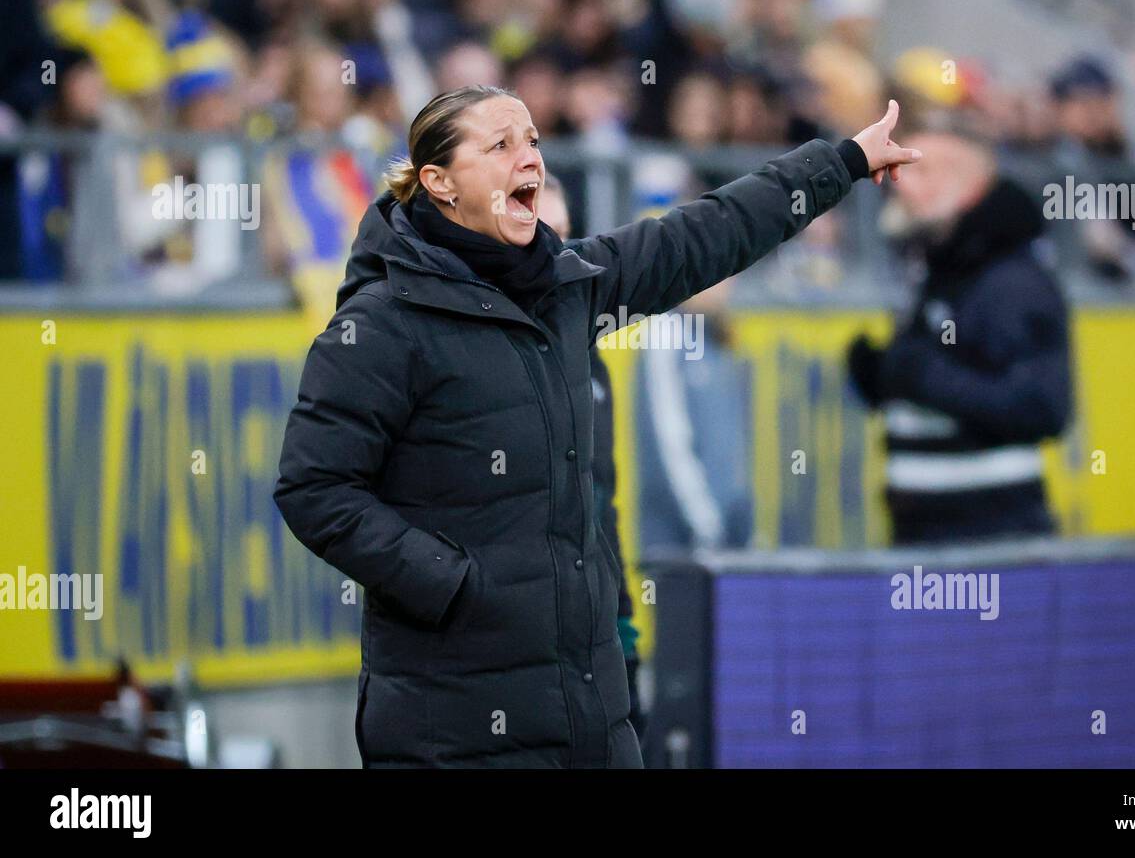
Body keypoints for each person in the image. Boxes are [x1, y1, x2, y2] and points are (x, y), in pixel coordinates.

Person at [275, 83, 920, 768]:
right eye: (500, 145)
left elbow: (706, 234)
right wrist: (452, 584)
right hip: (454, 729)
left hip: (591, 719)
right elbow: (314, 489)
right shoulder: (380, 324)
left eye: (533, 141)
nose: (530, 158)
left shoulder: (567, 287)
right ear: (439, 181)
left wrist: (841, 163)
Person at [846, 114, 1071, 545]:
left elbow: (1043, 407)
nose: (902, 186)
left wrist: (921, 375)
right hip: (925, 536)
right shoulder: (935, 270)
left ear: (970, 186)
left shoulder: (1012, 280)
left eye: (924, 172)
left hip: (995, 540)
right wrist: (881, 376)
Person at [533, 177, 646, 742]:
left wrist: (622, 621)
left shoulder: (589, 352)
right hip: (524, 642)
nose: (557, 251)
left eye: (566, 235)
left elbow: (603, 499)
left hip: (598, 625)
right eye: (543, 233)